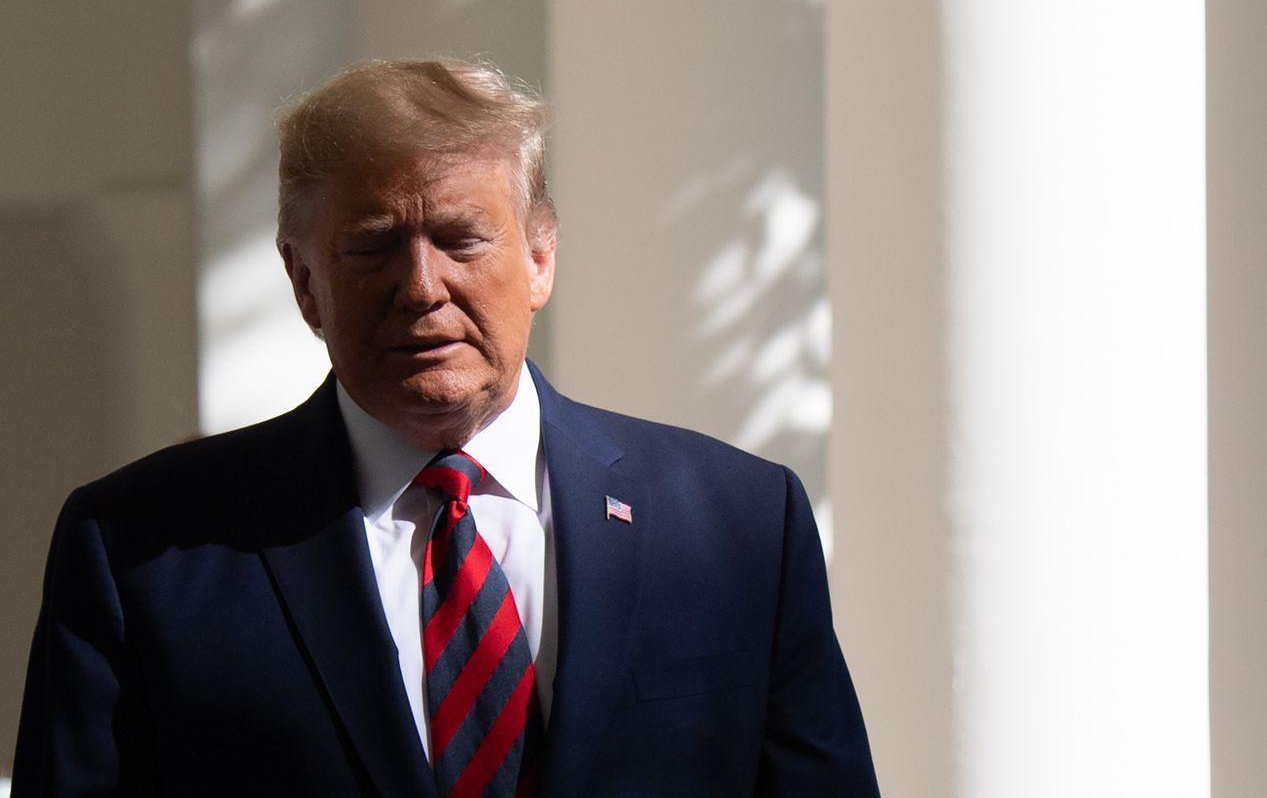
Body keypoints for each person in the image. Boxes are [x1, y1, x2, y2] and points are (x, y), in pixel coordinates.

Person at [11, 60, 880, 797]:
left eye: (462, 240)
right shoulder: (142, 551)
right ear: (305, 281)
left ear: (539, 259)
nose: (421, 287)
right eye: (374, 246)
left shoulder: (737, 524)